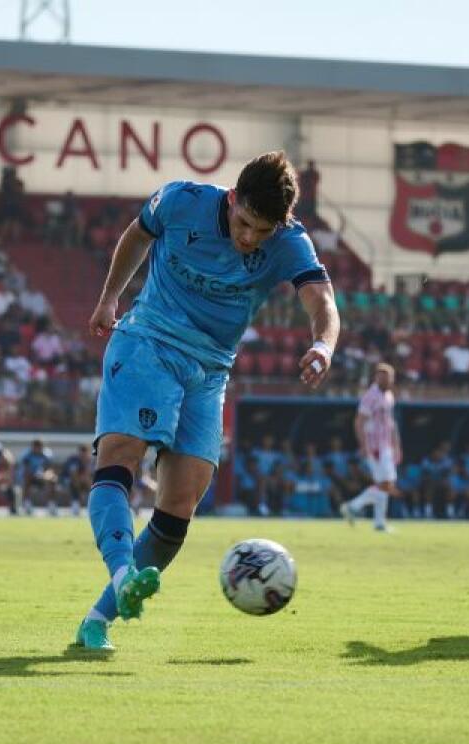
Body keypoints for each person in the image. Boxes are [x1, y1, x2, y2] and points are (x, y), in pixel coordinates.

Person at [74, 150, 339, 651]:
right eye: (244, 225)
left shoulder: (288, 241)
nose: (249, 240)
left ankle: (97, 620)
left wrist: (322, 345)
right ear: (232, 198)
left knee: (177, 509)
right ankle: (123, 572)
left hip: (211, 369)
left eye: (262, 233)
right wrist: (110, 296)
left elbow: (322, 301)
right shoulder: (180, 201)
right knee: (121, 458)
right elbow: (137, 234)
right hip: (148, 340)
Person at [340, 363, 400, 532]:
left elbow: (391, 423)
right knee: (386, 484)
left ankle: (379, 523)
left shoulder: (388, 395)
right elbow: (359, 421)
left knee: (384, 483)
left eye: (388, 378)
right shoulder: (370, 396)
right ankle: (353, 506)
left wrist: (397, 445)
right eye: (382, 377)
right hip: (375, 446)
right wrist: (363, 445)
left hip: (386, 444)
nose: (386, 381)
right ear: (376, 378)